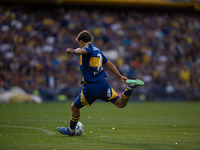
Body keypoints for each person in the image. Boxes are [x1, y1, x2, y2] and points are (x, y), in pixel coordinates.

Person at [57, 30, 144, 136]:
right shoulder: (98, 51)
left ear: (81, 41)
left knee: (74, 107)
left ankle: (71, 130)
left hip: (91, 87)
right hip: (103, 84)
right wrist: (120, 77)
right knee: (120, 103)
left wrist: (74, 51)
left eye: (79, 43)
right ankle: (129, 88)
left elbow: (82, 51)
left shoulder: (87, 48)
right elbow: (110, 65)